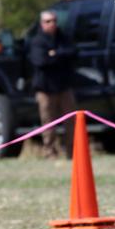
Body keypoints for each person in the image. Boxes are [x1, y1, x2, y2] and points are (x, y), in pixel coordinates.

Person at [27, 9, 77, 157]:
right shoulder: (37, 41)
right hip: (45, 89)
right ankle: (50, 152)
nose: (52, 24)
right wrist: (59, 55)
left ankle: (73, 152)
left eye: (54, 21)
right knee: (48, 123)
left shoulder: (63, 38)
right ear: (42, 23)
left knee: (71, 121)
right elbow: (40, 61)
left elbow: (73, 52)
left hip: (64, 87)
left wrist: (55, 53)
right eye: (48, 21)